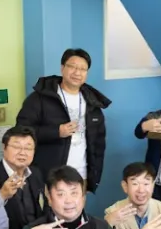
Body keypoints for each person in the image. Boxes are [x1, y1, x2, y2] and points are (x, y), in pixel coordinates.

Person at [17, 48, 111, 193]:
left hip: (81, 175)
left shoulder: (93, 103)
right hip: (49, 176)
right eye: (72, 67)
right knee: (48, 208)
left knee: (76, 207)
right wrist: (56, 132)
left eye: (83, 69)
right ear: (62, 68)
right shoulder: (40, 98)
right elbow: (21, 131)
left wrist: (94, 175)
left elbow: (99, 144)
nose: (77, 73)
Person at [0, 126, 46, 229]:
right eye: (17, 147)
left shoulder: (36, 173)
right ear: (3, 147)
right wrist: (2, 196)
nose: (22, 153)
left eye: (28, 148)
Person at [103, 162, 161, 229]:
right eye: (135, 184)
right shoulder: (113, 212)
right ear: (125, 186)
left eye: (146, 184)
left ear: (153, 185)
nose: (141, 190)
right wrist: (108, 224)